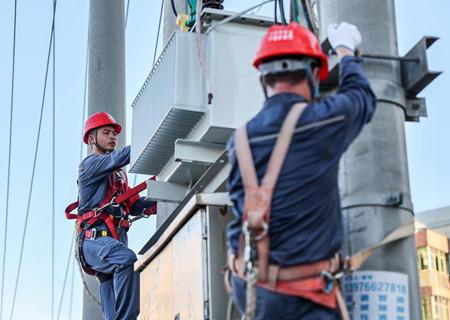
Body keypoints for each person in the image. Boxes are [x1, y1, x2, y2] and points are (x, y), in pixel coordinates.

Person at [226, 22, 376, 319]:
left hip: (252, 291)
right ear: (313, 75)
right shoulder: (321, 121)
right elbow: (361, 97)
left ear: (263, 80)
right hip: (305, 298)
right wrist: (345, 48)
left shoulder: (239, 140)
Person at [76, 112, 156, 320]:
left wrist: (162, 197)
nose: (112, 137)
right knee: (126, 259)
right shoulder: (90, 165)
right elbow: (118, 158)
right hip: (95, 241)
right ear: (92, 138)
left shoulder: (118, 176)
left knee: (112, 306)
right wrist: (148, 138)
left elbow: (135, 204)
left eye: (114, 134)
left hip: (111, 241)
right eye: (106, 133)